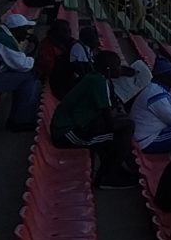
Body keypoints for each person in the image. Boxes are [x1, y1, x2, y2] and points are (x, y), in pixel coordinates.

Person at [50, 51, 138, 188]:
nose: (120, 69)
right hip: (66, 133)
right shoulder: (99, 82)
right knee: (125, 129)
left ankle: (116, 169)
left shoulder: (97, 78)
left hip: (71, 127)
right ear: (109, 69)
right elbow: (110, 119)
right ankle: (107, 177)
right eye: (118, 66)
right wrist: (119, 116)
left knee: (122, 124)